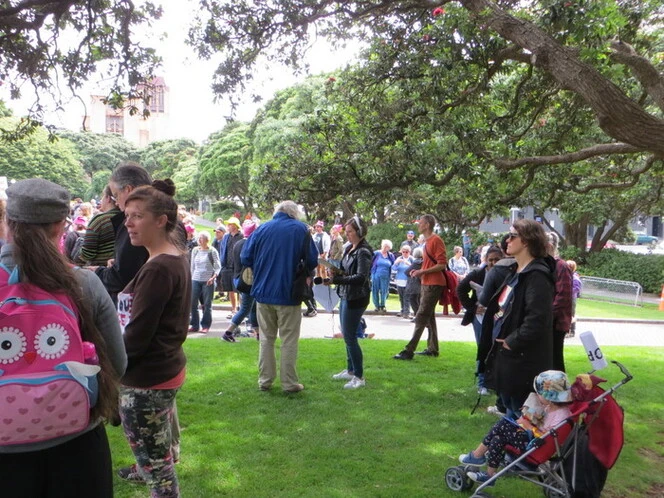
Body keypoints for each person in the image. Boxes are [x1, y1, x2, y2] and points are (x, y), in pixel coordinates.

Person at [0, 178, 126, 498]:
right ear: (60, 227)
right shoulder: (83, 283)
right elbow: (119, 363)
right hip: (77, 444)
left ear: (8, 223)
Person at [115, 179, 191, 497]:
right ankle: (145, 464)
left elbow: (137, 336)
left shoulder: (159, 268)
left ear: (160, 221)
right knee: (156, 458)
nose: (128, 223)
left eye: (137, 216)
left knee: (159, 475)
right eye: (127, 215)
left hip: (147, 380)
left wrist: (110, 369)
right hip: (163, 371)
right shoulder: (171, 257)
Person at [241, 201, 318, 393]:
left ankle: (265, 380)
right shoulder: (301, 230)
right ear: (294, 213)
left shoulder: (262, 229)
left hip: (262, 292)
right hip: (288, 293)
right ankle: (289, 383)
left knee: (266, 339)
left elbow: (245, 257)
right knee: (288, 339)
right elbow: (312, 259)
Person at [483, 219, 555, 419]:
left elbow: (537, 320)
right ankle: (500, 450)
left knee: (521, 416)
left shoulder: (537, 276)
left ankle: (515, 451)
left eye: (513, 236)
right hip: (508, 357)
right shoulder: (516, 271)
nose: (507, 240)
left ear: (526, 241)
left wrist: (511, 341)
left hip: (522, 360)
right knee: (509, 409)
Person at [459, 370, 573, 486]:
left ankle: (477, 455)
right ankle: (490, 475)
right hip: (533, 442)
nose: (537, 395)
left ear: (549, 397)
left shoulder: (561, 416)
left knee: (503, 424)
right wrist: (529, 417)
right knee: (498, 438)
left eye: (539, 393)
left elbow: (546, 437)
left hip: (533, 448)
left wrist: (528, 426)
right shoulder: (551, 408)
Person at [93, 162, 152, 305]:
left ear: (128, 190)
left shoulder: (141, 224)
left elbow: (124, 275)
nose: (116, 202)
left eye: (116, 195)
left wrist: (97, 272)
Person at [393, 214, 447, 360]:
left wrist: (422, 271)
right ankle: (432, 349)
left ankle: (409, 350)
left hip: (434, 283)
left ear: (427, 225)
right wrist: (418, 271)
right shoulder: (427, 242)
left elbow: (442, 264)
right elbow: (430, 263)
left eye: (421, 223)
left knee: (421, 315)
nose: (418, 225)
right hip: (426, 282)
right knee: (429, 316)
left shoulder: (436, 240)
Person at [329, 215, 373, 389]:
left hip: (357, 297)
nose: (347, 235)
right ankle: (350, 370)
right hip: (346, 295)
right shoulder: (350, 249)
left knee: (350, 337)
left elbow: (361, 277)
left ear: (359, 232)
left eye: (350, 231)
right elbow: (348, 272)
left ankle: (359, 376)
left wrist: (337, 280)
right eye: (346, 231)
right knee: (347, 335)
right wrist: (336, 273)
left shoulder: (363, 251)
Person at [457, 246, 504, 395]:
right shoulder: (478, 273)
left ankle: (495, 382)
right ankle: (482, 383)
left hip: (498, 317)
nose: (493, 262)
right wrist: (472, 307)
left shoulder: (507, 274)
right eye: (490, 260)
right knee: (483, 348)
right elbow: (461, 289)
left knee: (497, 349)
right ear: (485, 260)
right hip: (480, 318)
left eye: (497, 259)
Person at [222, 219, 260, 342]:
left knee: (253, 307)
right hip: (248, 281)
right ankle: (228, 332)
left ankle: (258, 333)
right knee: (245, 309)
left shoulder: (238, 243)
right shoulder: (252, 245)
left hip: (238, 278)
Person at [547, 232, 573, 372]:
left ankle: (560, 390)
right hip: (547, 322)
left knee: (555, 360)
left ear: (549, 246)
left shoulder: (561, 266)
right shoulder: (546, 266)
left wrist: (547, 316)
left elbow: (563, 297)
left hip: (555, 324)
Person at [77, 185, 121, 266]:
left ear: (108, 198)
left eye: (102, 197)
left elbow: (87, 254)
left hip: (99, 271)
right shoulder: (124, 217)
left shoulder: (99, 220)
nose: (101, 200)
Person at [189, 231, 221, 333]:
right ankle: (194, 324)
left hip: (208, 281)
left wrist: (213, 278)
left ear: (207, 240)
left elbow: (217, 267)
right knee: (192, 303)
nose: (199, 239)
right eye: (199, 237)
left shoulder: (212, 251)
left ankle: (205, 325)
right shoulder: (195, 250)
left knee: (207, 304)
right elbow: (192, 266)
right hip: (195, 279)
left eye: (201, 238)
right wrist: (191, 277)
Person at [220, 216, 244, 317]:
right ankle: (233, 309)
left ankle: (241, 311)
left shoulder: (241, 236)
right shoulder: (226, 236)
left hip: (238, 267)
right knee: (230, 289)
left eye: (230, 224)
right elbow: (222, 249)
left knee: (239, 289)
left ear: (235, 226)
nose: (228, 226)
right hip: (227, 266)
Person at [370, 239, 395, 312]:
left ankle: (383, 305)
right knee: (375, 290)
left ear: (389, 248)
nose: (385, 248)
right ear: (382, 246)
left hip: (386, 276)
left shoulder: (390, 255)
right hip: (376, 274)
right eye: (384, 246)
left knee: (384, 291)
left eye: (387, 247)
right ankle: (376, 305)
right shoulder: (376, 253)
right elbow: (370, 262)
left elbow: (393, 265)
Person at [392, 245, 413, 317]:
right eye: (403, 252)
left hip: (408, 280)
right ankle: (402, 310)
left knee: (407, 296)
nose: (405, 253)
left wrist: (409, 264)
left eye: (406, 252)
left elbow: (414, 268)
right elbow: (394, 269)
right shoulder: (399, 258)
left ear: (409, 252)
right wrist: (396, 263)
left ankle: (407, 312)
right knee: (401, 297)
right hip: (399, 280)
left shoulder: (411, 259)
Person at [404, 246, 423, 321]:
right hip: (420, 284)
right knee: (418, 300)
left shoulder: (416, 262)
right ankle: (419, 316)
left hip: (414, 285)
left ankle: (418, 316)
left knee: (413, 300)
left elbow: (406, 272)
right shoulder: (422, 261)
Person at [566, 260, 582, 338]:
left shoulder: (575, 278)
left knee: (571, 315)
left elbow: (576, 288)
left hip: (571, 299)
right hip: (566, 298)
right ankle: (567, 331)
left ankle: (572, 331)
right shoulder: (566, 276)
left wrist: (566, 291)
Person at [212, 225, 227, 299]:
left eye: (219, 232)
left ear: (223, 233)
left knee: (224, 279)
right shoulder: (215, 241)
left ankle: (227, 294)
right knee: (218, 278)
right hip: (217, 262)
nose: (216, 233)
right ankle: (221, 292)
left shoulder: (225, 241)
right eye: (216, 232)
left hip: (224, 262)